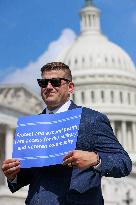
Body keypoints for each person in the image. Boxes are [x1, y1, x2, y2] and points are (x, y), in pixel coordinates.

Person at [2, 62, 132, 205]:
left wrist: (95, 159)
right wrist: (12, 175)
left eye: (55, 82)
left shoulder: (91, 120)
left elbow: (124, 163)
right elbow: (27, 176)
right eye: (43, 83)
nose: (49, 87)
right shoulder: (33, 126)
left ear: (70, 87)